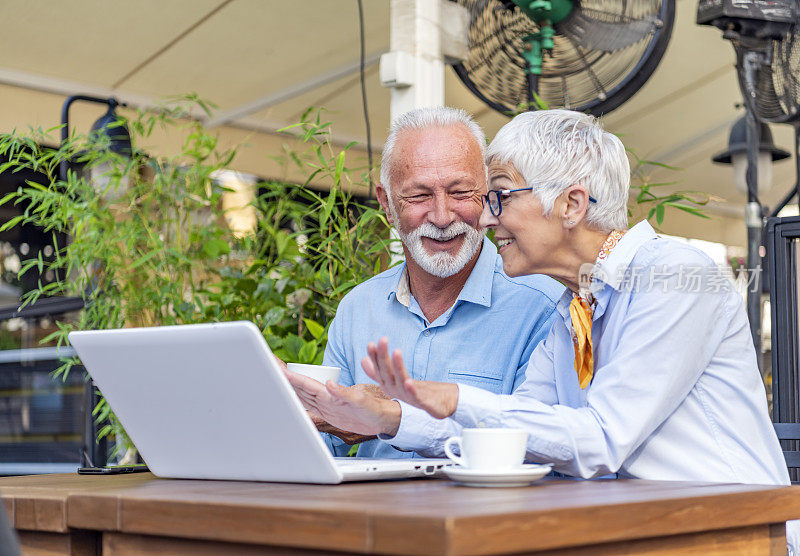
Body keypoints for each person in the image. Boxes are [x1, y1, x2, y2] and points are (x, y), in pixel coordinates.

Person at [288, 110, 797, 549]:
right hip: (646, 533)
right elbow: (511, 433)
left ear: (571, 205)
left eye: (500, 196)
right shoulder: (572, 306)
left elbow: (600, 439)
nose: (487, 221)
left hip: (739, 534)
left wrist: (453, 397)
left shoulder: (675, 276)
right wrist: (389, 416)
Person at [310, 106, 564, 458]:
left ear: (489, 193)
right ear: (386, 204)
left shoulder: (544, 307)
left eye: (460, 192)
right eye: (419, 196)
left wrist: (391, 418)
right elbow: (319, 446)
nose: (443, 217)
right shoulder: (357, 308)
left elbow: (536, 446)